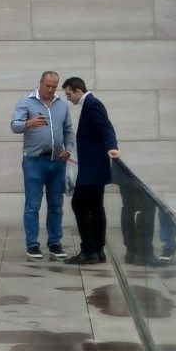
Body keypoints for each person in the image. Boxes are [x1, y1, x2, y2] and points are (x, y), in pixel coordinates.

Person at [11, 69, 73, 260]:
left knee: (56, 205)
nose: (51, 90)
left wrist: (68, 148)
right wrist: (29, 123)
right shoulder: (26, 102)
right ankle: (32, 244)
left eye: (54, 87)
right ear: (40, 83)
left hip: (57, 161)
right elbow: (14, 126)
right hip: (34, 161)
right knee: (33, 205)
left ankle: (54, 243)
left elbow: (68, 130)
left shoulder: (62, 105)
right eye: (48, 86)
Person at [61, 78, 118, 267]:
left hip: (92, 170)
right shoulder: (91, 104)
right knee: (95, 208)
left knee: (79, 204)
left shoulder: (92, 105)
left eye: (69, 94)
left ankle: (89, 250)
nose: (68, 99)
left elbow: (106, 127)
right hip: (94, 168)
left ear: (77, 91)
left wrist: (112, 146)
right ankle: (98, 250)